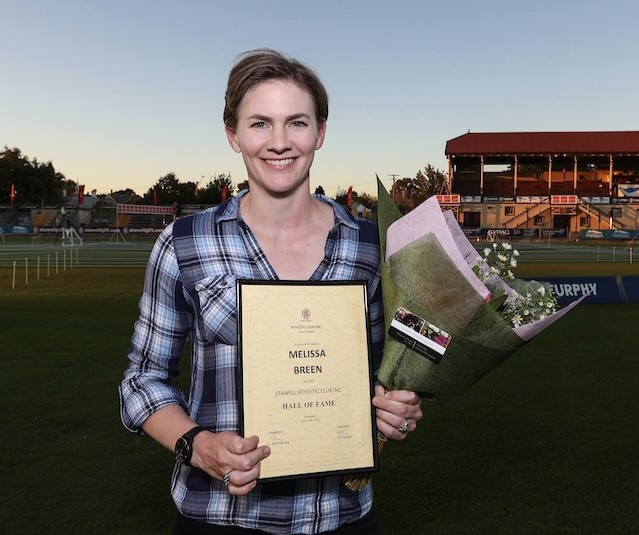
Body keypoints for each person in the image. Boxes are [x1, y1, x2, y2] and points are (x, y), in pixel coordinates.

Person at [119, 48, 423, 534]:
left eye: (297, 123)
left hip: (340, 516)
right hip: (220, 517)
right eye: (260, 123)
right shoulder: (183, 243)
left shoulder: (371, 246)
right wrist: (197, 444)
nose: (279, 142)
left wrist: (396, 407)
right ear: (232, 134)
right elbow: (141, 381)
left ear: (320, 132)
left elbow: (390, 370)